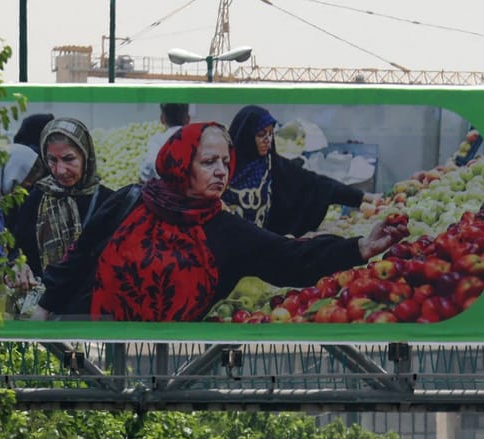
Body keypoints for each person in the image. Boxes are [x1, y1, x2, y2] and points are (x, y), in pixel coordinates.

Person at [37, 122, 406, 322]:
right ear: (181, 163)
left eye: (225, 163)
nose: (221, 172)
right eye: (208, 162)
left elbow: (290, 258)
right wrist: (38, 317)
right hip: (88, 348)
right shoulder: (130, 202)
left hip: (162, 367)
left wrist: (358, 247)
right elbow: (78, 257)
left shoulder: (226, 232)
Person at [223, 105, 369, 237]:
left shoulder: (273, 166)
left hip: (262, 248)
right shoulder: (223, 167)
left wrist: (361, 197)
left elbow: (318, 184)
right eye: (261, 134)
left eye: (270, 133)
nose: (267, 140)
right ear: (246, 136)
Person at [7, 116, 111, 280]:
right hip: (43, 301)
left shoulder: (108, 202)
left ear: (86, 155)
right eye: (52, 160)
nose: (60, 170)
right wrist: (18, 265)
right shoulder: (35, 197)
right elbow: (17, 248)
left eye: (69, 159)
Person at [138, 103, 194, 183]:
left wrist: (142, 178)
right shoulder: (198, 138)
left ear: (162, 119)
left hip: (164, 191)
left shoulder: (157, 140)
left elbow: (150, 164)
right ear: (188, 119)